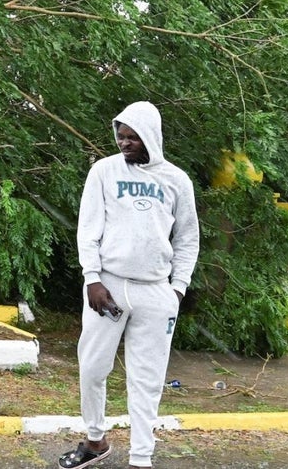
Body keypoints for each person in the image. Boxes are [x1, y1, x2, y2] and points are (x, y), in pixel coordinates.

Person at [58, 101, 200, 469]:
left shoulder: (176, 180)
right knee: (92, 366)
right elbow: (87, 230)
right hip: (109, 286)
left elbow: (187, 238)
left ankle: (141, 458)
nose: (124, 143)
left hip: (156, 291)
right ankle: (95, 441)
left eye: (132, 137)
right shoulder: (103, 171)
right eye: (120, 137)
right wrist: (92, 278)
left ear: (150, 136)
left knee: (147, 378)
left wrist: (177, 289)